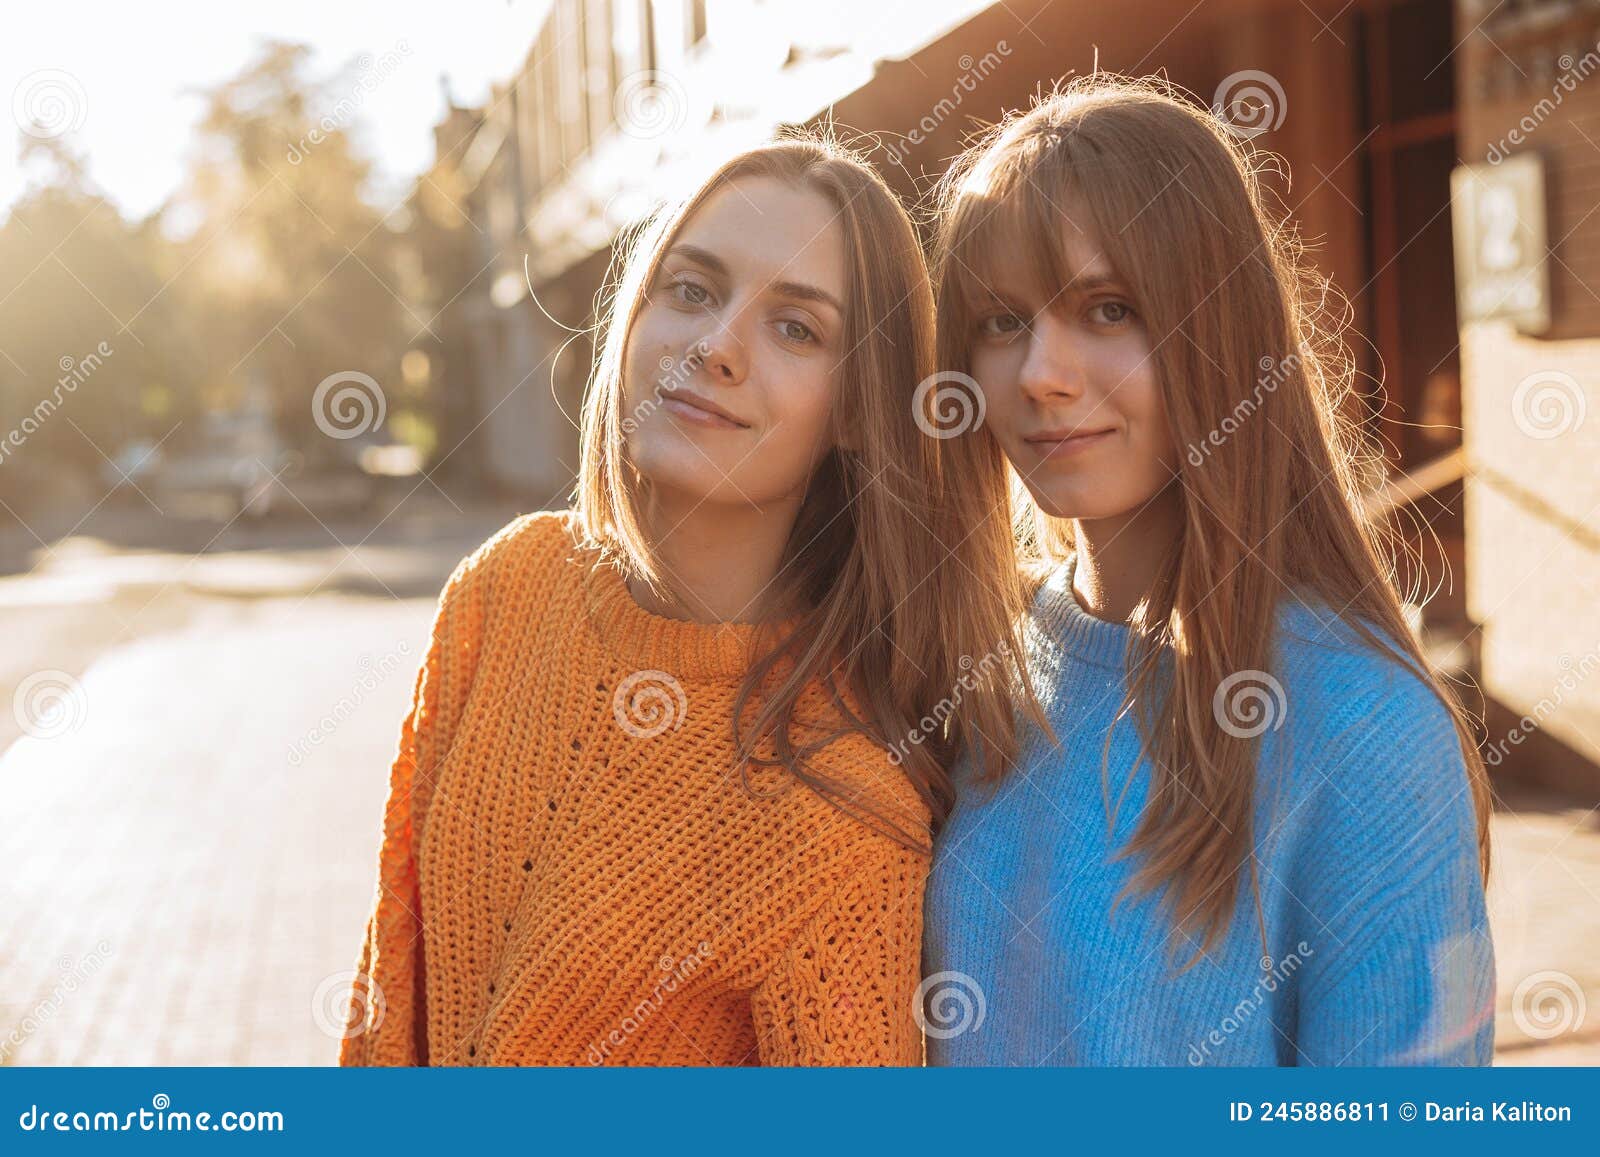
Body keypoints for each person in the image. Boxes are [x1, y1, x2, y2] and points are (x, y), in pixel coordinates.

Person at [339, 134, 1034, 1066]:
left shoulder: (845, 815)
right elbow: (393, 986)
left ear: (862, 408)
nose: (714, 346)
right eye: (693, 290)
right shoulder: (503, 588)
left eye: (796, 328)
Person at [921, 77, 1496, 1066]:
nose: (1040, 373)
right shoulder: (968, 681)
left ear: (1220, 333)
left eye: (1107, 308)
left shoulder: (1364, 731)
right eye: (1000, 320)